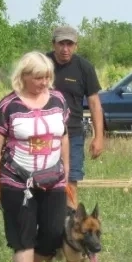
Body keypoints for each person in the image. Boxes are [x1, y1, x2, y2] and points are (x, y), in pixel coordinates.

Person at [0, 52, 70, 262]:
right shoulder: (8, 106)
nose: (44, 82)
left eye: (47, 77)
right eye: (38, 78)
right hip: (16, 181)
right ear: (22, 77)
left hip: (54, 179)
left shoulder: (58, 100)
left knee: (54, 234)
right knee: (22, 235)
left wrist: (67, 170)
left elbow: (64, 136)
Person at [46, 25, 104, 207]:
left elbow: (94, 103)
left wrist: (99, 137)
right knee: (42, 180)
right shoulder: (42, 64)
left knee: (70, 180)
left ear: (76, 46)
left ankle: (70, 224)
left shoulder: (84, 68)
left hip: (73, 134)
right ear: (53, 44)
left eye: (70, 44)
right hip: (43, 133)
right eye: (61, 43)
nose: (65, 49)